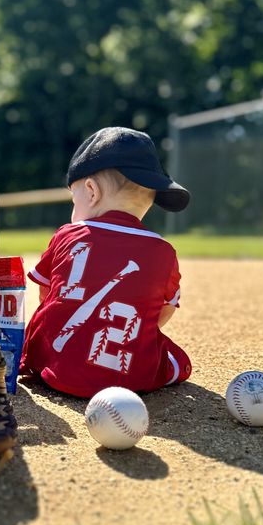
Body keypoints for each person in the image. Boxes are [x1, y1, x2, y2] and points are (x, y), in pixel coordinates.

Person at [20, 126, 192, 397]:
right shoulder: (164, 251)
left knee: (40, 330)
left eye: (73, 199)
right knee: (178, 363)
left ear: (91, 191)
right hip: (128, 383)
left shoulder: (66, 235)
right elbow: (164, 311)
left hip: (53, 370)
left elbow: (47, 295)